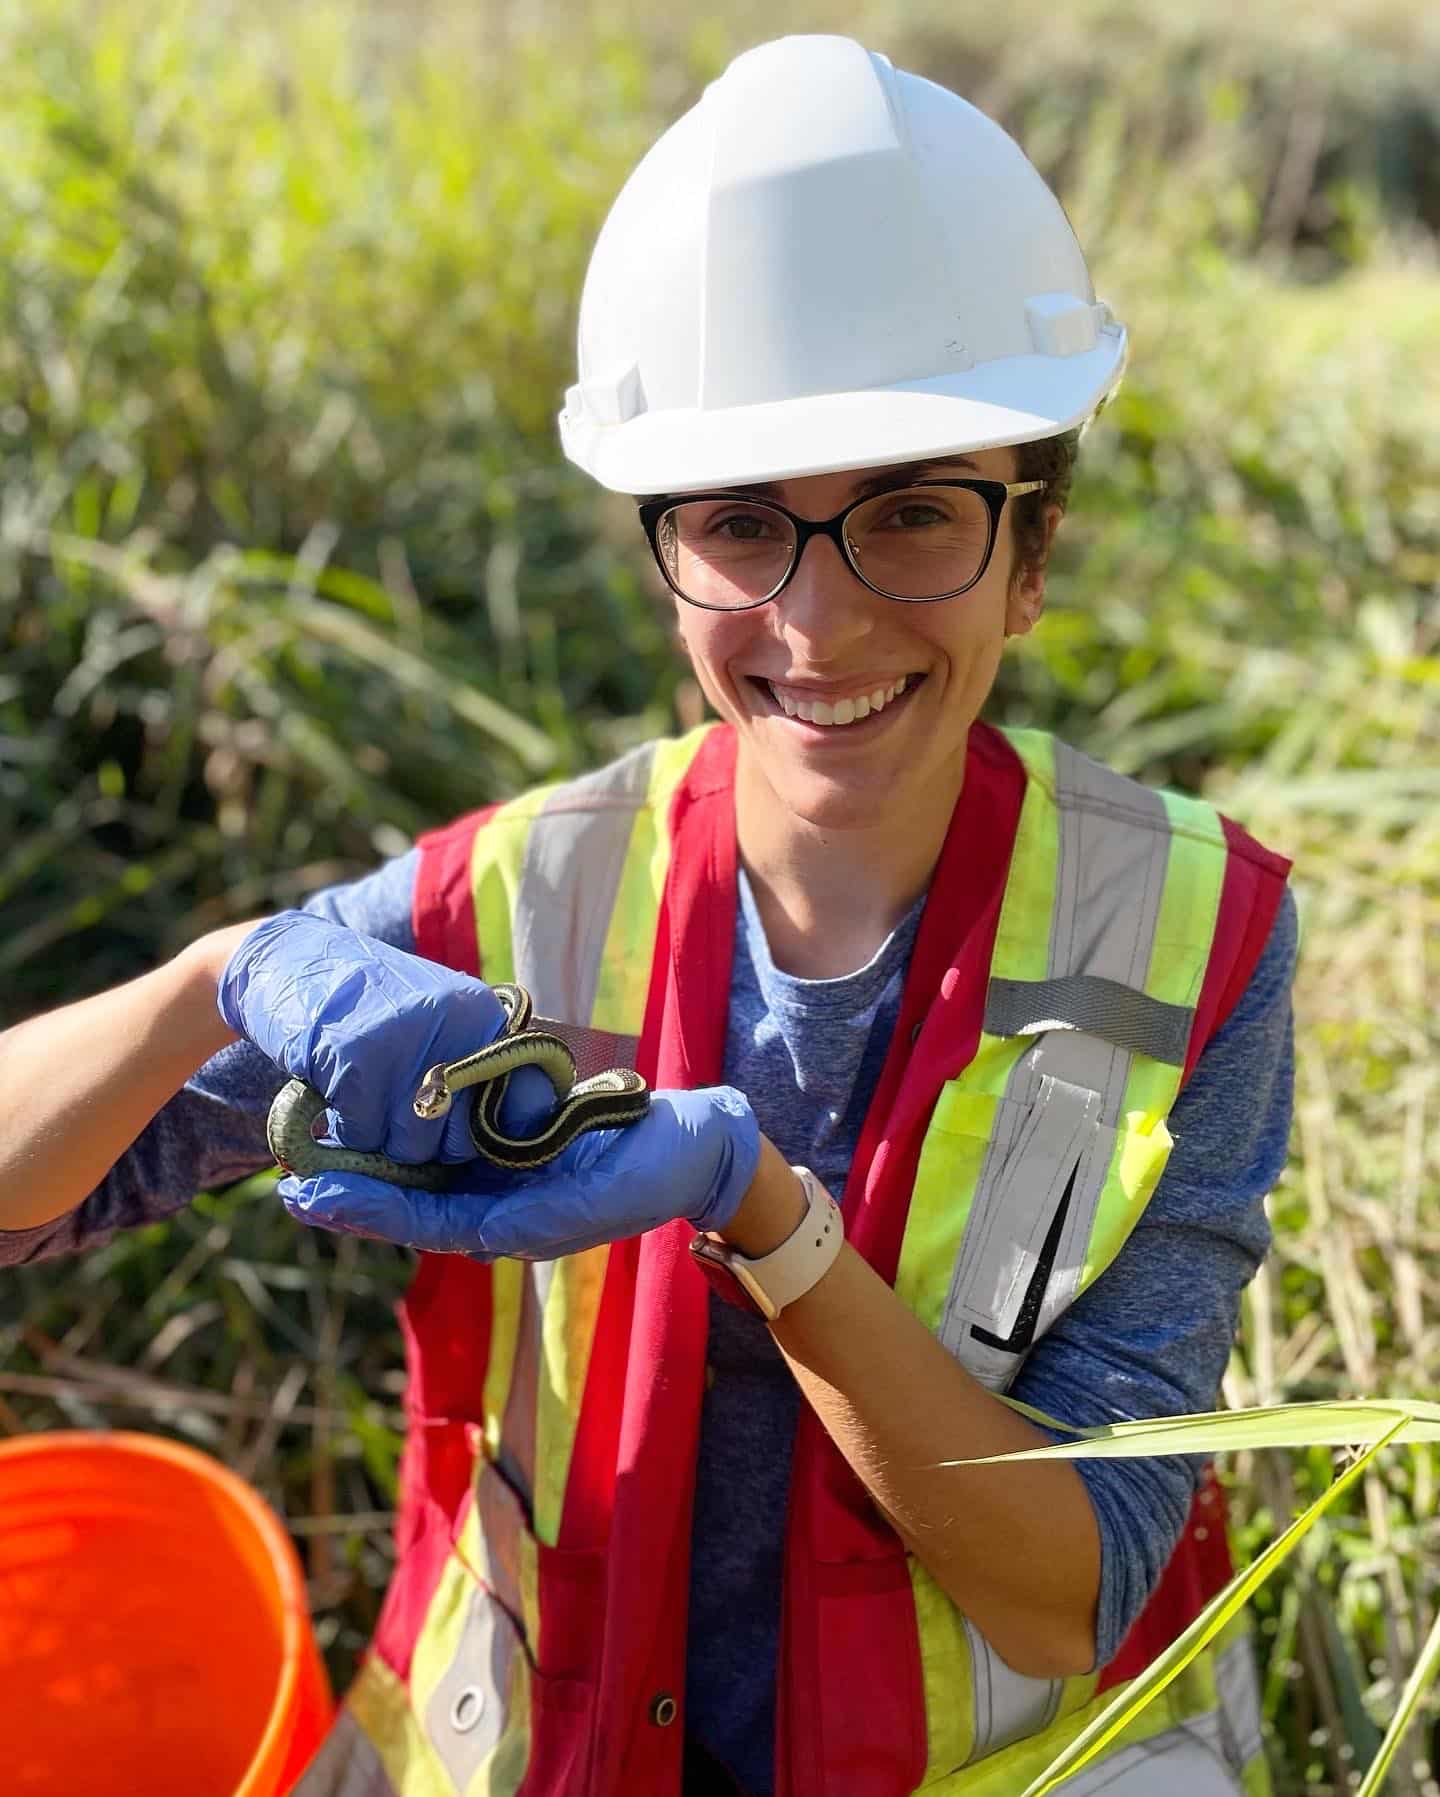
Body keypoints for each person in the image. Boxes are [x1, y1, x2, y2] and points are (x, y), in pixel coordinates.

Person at [0, 34, 1296, 1797]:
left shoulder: (1193, 934)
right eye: (744, 527)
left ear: (1035, 554)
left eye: (915, 515)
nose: (816, 624)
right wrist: (215, 978)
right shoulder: (505, 897)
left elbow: (1069, 1588)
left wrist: (773, 1225)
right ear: (662, 552)